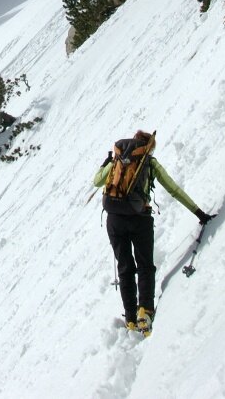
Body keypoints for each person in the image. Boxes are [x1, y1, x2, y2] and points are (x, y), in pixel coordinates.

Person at [93, 130, 213, 335]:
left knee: (125, 266)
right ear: (148, 147)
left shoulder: (119, 161)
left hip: (114, 219)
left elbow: (97, 182)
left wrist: (106, 164)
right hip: (140, 219)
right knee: (145, 265)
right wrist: (199, 213)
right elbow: (173, 189)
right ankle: (145, 311)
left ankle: (130, 318)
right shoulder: (149, 163)